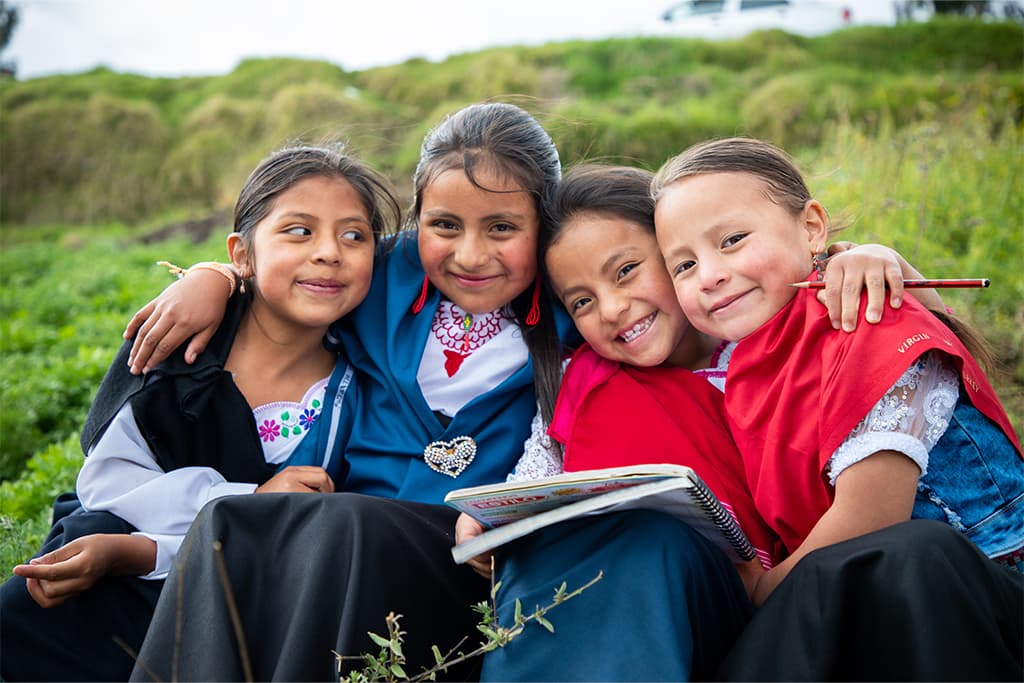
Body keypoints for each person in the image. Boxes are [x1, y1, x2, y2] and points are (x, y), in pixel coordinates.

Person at [120, 101, 578, 682]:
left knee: (345, 524)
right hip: (344, 550)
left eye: (503, 228)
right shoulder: (388, 274)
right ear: (417, 221)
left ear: (546, 228)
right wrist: (215, 277)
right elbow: (304, 271)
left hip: (468, 555)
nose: (469, 254)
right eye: (445, 225)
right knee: (231, 523)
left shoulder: (574, 314)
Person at [468, 164, 937, 681]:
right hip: (647, 608)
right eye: (581, 301)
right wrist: (488, 522)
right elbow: (537, 480)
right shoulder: (583, 382)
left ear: (675, 254)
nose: (613, 308)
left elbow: (917, 355)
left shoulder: (767, 331)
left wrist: (883, 260)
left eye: (626, 271)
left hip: (803, 594)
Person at [0, 143, 399, 681]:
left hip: (262, 595)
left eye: (355, 236)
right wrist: (249, 503)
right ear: (242, 254)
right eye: (299, 231)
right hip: (125, 574)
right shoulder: (177, 345)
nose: (330, 251)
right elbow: (111, 484)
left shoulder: (367, 371)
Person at [651, 136, 1024, 680]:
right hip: (888, 596)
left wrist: (759, 594)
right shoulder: (747, 364)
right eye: (683, 266)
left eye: (732, 240)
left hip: (980, 588)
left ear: (811, 228)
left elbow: (871, 518)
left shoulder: (864, 318)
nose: (709, 275)